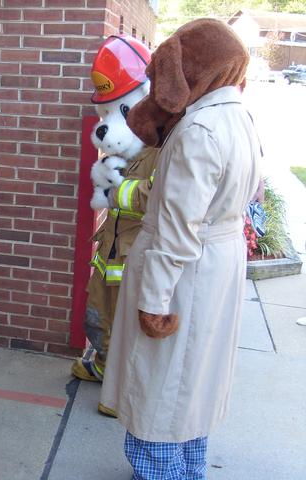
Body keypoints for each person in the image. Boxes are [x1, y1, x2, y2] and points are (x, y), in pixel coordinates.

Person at [99, 19, 261, 479]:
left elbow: (176, 232)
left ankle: (162, 473)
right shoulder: (239, 117)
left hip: (185, 275)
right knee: (192, 389)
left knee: (161, 392)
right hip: (216, 264)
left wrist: (154, 305)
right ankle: (189, 470)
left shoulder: (199, 130)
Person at [71, 37, 158, 421]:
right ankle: (105, 367)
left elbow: (157, 196)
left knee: (127, 327)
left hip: (133, 256)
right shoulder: (128, 149)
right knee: (97, 317)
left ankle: (119, 392)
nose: (110, 126)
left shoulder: (163, 149)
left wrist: (116, 188)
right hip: (110, 252)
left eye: (121, 110)